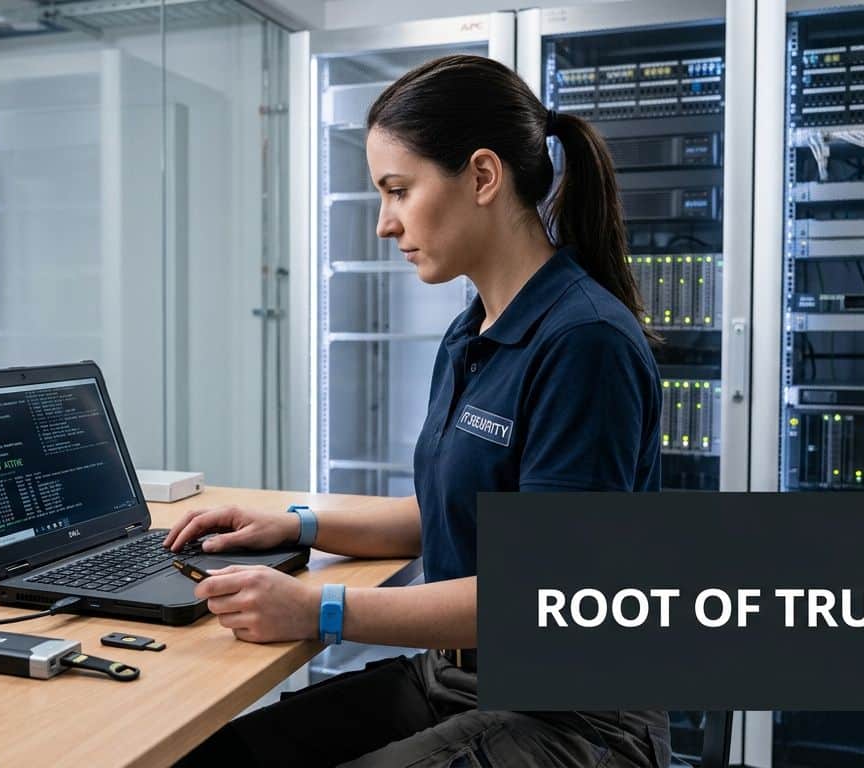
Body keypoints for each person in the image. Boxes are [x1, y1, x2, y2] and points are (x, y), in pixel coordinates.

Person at [168, 54, 667, 767]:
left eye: (398, 191)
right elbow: (448, 511)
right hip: (460, 678)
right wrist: (295, 525)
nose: (383, 223)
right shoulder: (477, 330)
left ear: (484, 177)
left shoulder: (584, 342)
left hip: (574, 720)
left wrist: (321, 609)